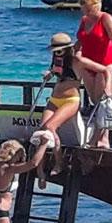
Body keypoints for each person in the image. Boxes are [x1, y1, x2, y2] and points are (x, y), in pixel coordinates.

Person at [29, 33, 84, 186]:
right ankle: (40, 172)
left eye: (60, 50)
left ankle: (59, 162)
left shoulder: (75, 61)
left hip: (71, 100)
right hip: (55, 99)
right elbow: (56, 73)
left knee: (50, 127)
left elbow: (90, 69)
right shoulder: (56, 60)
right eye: (55, 50)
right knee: (41, 131)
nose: (57, 52)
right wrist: (49, 74)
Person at [74, 0, 112, 147]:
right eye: (82, 4)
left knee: (103, 99)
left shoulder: (105, 18)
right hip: (89, 63)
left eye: (86, 4)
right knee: (95, 101)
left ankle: (102, 137)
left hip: (107, 62)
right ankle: (99, 136)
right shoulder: (84, 20)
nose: (83, 8)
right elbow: (80, 41)